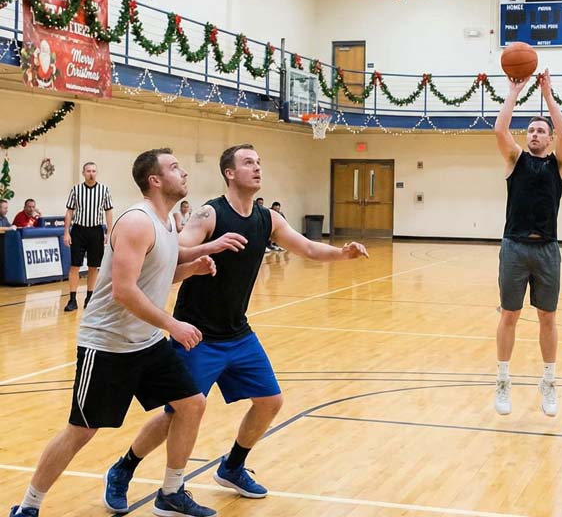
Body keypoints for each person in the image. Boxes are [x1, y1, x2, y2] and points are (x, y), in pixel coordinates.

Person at [103, 144, 368, 510]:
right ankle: (124, 468)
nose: (257, 168)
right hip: (196, 333)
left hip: (238, 332)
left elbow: (307, 248)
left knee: (270, 402)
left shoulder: (267, 220)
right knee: (176, 414)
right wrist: (210, 246)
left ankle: (232, 466)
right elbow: (172, 252)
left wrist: (342, 253)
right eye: (248, 163)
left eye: (259, 162)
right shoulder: (210, 214)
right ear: (230, 173)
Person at [7, 148, 246, 517]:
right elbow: (124, 289)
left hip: (146, 343)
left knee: (191, 404)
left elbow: (157, 276)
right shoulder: (137, 221)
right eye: (174, 167)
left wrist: (191, 269)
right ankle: (28, 506)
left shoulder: (168, 223)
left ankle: (170, 492)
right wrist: (173, 324)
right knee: (81, 430)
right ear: (154, 180)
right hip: (107, 345)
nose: (183, 172)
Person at [493, 68, 562, 417]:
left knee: (547, 317)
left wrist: (549, 95)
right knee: (510, 314)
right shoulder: (515, 161)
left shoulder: (559, 165)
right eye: (531, 130)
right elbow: (499, 129)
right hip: (514, 246)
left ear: (550, 139)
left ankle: (549, 382)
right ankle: (503, 379)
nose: (535, 134)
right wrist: (514, 91)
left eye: (541, 130)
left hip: (547, 249)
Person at [63, 162, 114, 312]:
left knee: (93, 266)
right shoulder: (76, 190)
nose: (91, 173)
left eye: (93, 171)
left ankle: (89, 298)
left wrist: (109, 232)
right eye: (88, 171)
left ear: (96, 173)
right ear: (83, 173)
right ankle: (72, 299)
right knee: (75, 266)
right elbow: (69, 212)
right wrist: (66, 231)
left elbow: (109, 212)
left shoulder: (104, 190)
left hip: (96, 231)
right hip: (78, 230)